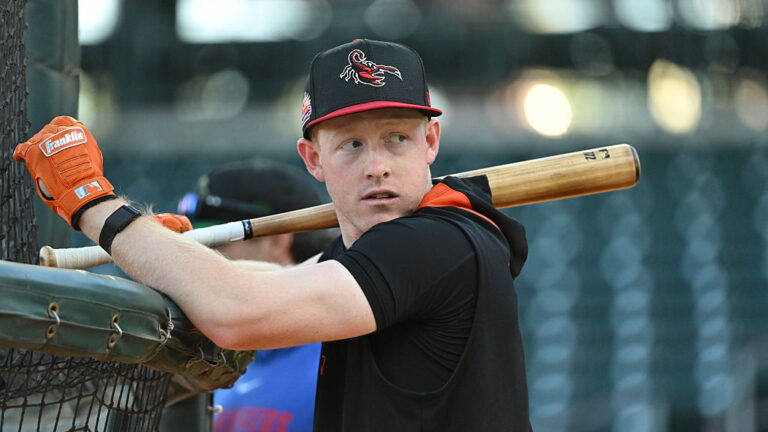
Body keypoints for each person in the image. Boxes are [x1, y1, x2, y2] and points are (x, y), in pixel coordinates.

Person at [14, 39, 531, 431]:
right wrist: (160, 248)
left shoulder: (438, 242)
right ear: (314, 159)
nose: (377, 167)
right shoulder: (369, 249)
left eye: (396, 138)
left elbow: (238, 310)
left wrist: (92, 203)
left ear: (431, 141)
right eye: (351, 144)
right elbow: (271, 277)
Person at [177, 161, 335, 431]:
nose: (198, 261)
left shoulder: (350, 357)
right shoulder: (204, 356)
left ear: (277, 242)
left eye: (215, 243)